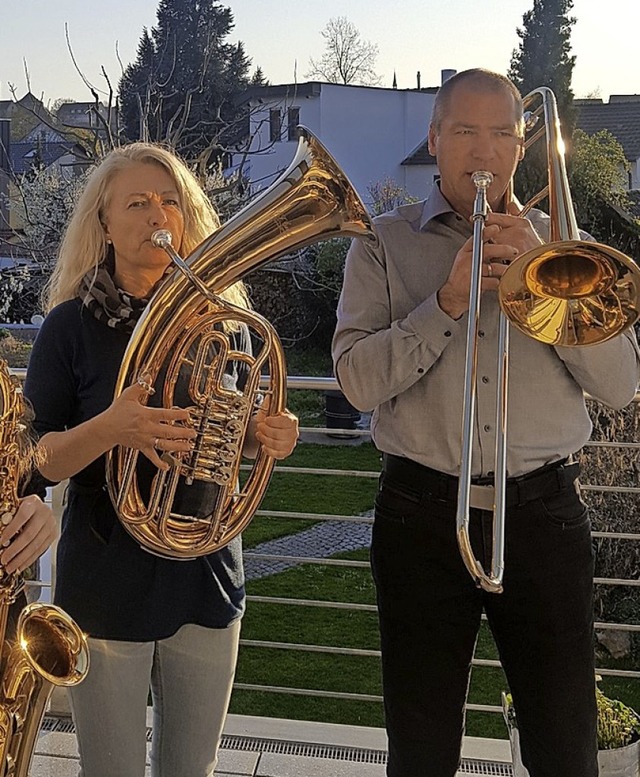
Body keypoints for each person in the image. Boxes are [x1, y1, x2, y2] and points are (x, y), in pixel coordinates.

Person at [332, 68, 640, 777]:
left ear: (522, 142)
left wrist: (546, 282)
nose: (483, 149)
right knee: (421, 744)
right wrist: (445, 300)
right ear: (435, 139)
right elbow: (355, 380)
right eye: (464, 131)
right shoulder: (382, 244)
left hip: (544, 514)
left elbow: (622, 385)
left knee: (566, 743)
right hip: (418, 514)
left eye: (502, 132)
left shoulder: (569, 247)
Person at [23, 141, 299, 777]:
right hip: (105, 576)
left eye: (170, 201)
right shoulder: (70, 327)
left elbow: (229, 435)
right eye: (138, 202)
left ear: (186, 218)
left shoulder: (221, 320)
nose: (157, 215)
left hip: (205, 572)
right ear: (104, 222)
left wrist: (264, 434)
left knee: (189, 770)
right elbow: (35, 461)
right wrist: (114, 427)